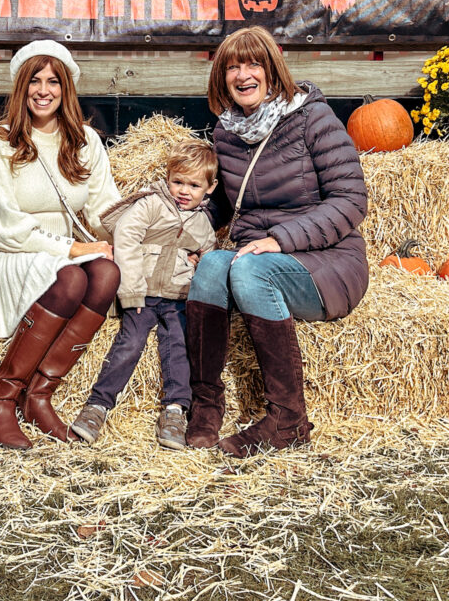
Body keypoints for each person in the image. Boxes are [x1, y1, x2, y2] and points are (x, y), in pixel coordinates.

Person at [185, 25, 368, 457]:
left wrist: (280, 240)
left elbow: (351, 200)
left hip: (325, 260)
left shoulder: (312, 118)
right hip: (258, 256)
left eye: (253, 64)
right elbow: (228, 205)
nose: (242, 74)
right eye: (232, 66)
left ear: (272, 70)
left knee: (247, 268)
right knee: (212, 265)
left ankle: (288, 419)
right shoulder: (226, 133)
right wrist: (184, 231)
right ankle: (206, 405)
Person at [0, 40, 121, 450]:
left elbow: (105, 209)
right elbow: (2, 227)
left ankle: (39, 396)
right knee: (71, 278)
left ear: (66, 87)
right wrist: (72, 250)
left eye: (53, 81)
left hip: (67, 246)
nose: (43, 90)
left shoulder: (86, 140)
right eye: (34, 80)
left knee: (107, 273)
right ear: (21, 87)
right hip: (11, 250)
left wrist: (137, 238)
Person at [71, 139, 218, 450]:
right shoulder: (151, 204)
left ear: (210, 188)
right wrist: (132, 292)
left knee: (179, 347)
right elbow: (125, 234)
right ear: (167, 178)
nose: (183, 191)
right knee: (130, 342)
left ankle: (175, 411)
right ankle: (98, 406)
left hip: (177, 297)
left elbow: (209, 254)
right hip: (144, 294)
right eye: (177, 181)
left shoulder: (203, 223)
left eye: (193, 185)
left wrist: (197, 264)